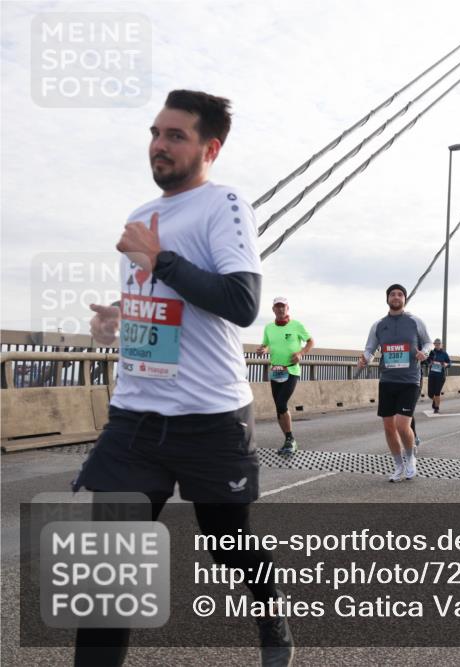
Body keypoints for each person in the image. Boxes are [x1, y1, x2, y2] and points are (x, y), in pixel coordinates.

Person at [77, 90, 293, 665]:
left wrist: (158, 260)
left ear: (209, 147)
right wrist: (121, 320)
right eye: (155, 132)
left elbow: (241, 302)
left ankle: (271, 611)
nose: (159, 144)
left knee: (227, 541)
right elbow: (169, 309)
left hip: (209, 417)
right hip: (136, 417)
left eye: (176, 135)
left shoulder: (224, 205)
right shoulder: (138, 219)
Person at [359, 284, 432, 482]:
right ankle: (398, 465)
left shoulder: (415, 321)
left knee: (401, 425)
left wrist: (423, 353)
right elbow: (370, 349)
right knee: (389, 427)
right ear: (387, 299)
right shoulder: (378, 325)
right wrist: (366, 358)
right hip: (387, 380)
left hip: (410, 380)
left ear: (404, 299)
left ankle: (410, 458)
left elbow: (428, 342)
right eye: (392, 294)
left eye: (400, 294)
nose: (396, 297)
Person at [256, 296, 313, 454]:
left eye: (283, 306)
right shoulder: (269, 328)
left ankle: (290, 439)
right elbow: (266, 345)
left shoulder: (296, 325)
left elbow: (310, 341)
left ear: (288, 308)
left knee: (282, 403)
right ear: (273, 309)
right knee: (278, 408)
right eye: (277, 306)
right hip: (275, 371)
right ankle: (289, 440)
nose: (280, 309)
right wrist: (263, 350)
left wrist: (301, 353)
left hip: (291, 370)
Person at [425, 338, 452, 413]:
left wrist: (446, 364)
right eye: (436, 344)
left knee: (437, 392)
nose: (437, 345)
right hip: (432, 375)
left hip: (440, 376)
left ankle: (436, 408)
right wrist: (429, 363)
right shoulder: (431, 352)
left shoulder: (444, 353)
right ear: (434, 344)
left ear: (441, 345)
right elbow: (427, 361)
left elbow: (450, 363)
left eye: (439, 344)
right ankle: (436, 401)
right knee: (430, 394)